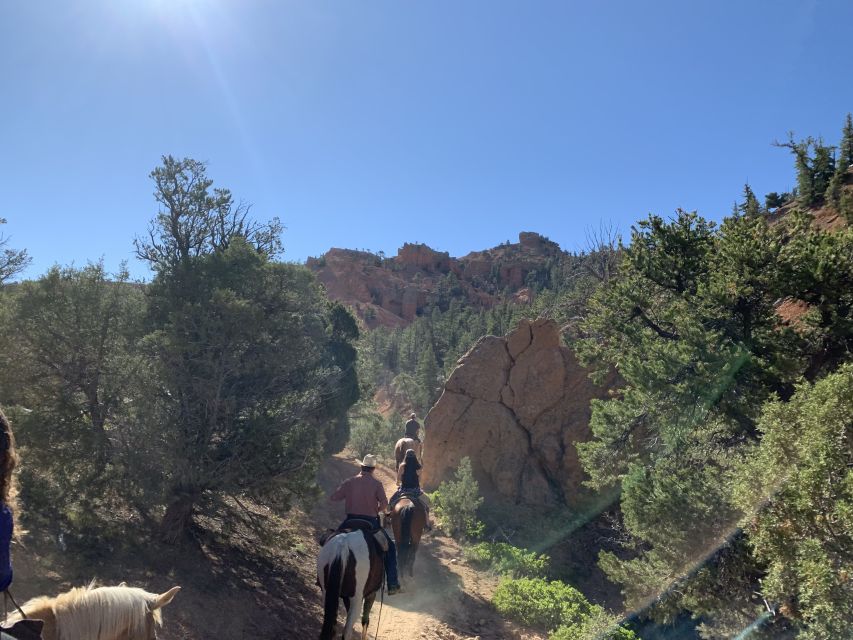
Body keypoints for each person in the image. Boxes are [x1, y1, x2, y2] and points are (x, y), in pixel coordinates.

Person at [330, 454, 401, 594]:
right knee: (390, 548)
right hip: (370, 522)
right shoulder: (377, 484)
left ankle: (324, 577)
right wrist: (377, 510)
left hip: (350, 520)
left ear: (361, 466)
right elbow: (385, 504)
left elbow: (334, 497)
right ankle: (392, 583)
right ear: (373, 469)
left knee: (330, 541)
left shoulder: (349, 482)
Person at [389, 449, 432, 530]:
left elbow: (398, 480)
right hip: (415, 491)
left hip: (403, 490)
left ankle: (389, 520)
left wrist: (398, 483)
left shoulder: (402, 466)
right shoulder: (418, 467)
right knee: (427, 505)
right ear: (415, 456)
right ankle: (427, 524)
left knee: (391, 502)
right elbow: (419, 480)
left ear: (406, 456)